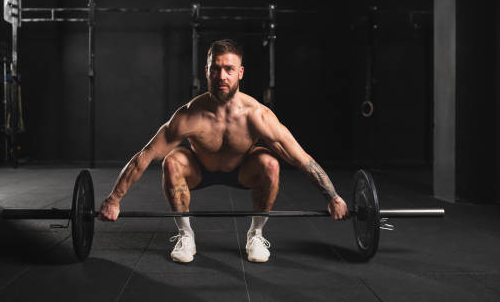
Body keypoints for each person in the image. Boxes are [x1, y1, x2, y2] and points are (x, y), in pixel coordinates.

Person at [98, 39, 350, 263]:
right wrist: (114, 199)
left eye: (229, 69)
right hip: (199, 170)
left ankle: (256, 234)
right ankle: (186, 235)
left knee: (270, 162)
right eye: (216, 68)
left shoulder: (257, 115)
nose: (222, 76)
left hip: (242, 171)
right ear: (207, 71)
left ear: (240, 73)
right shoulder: (188, 115)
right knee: (172, 161)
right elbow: (146, 155)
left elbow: (301, 158)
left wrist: (333, 198)